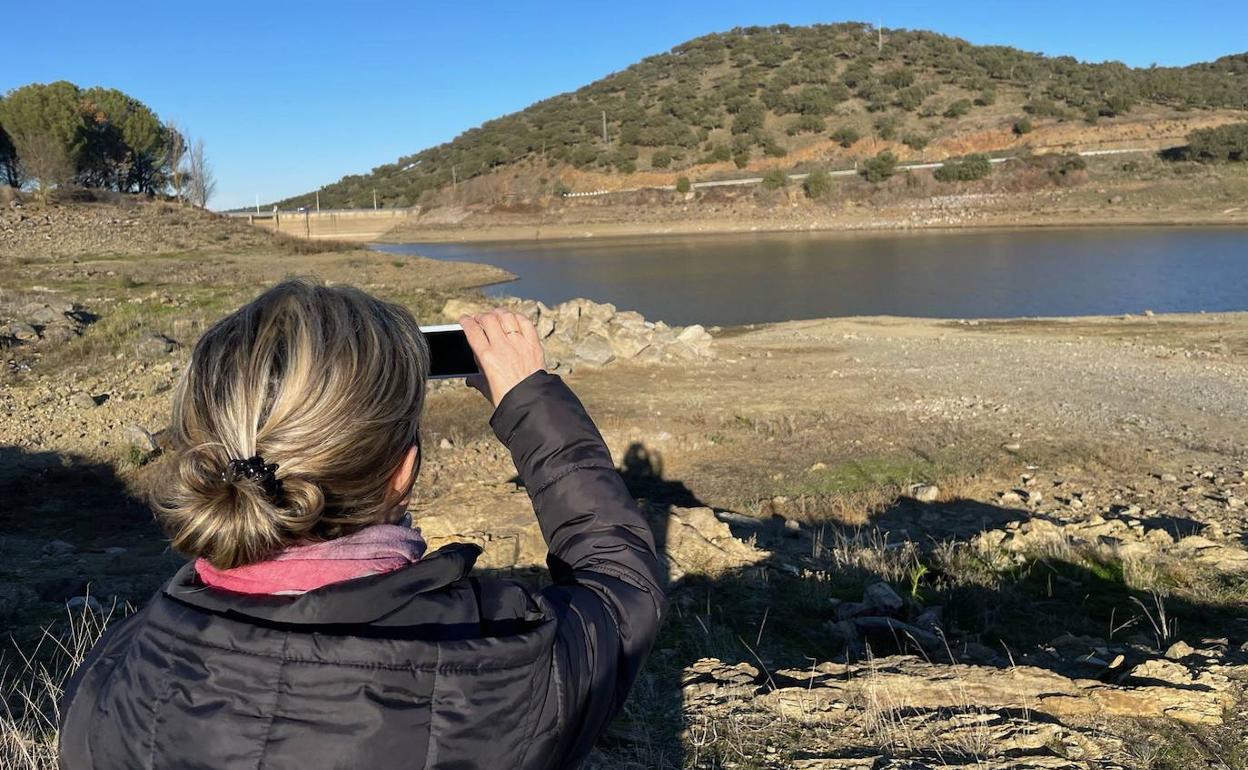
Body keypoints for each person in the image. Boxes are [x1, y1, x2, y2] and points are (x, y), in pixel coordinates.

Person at [58, 279, 666, 769]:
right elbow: (620, 586)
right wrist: (530, 401)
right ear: (401, 474)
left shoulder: (111, 677)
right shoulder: (505, 666)